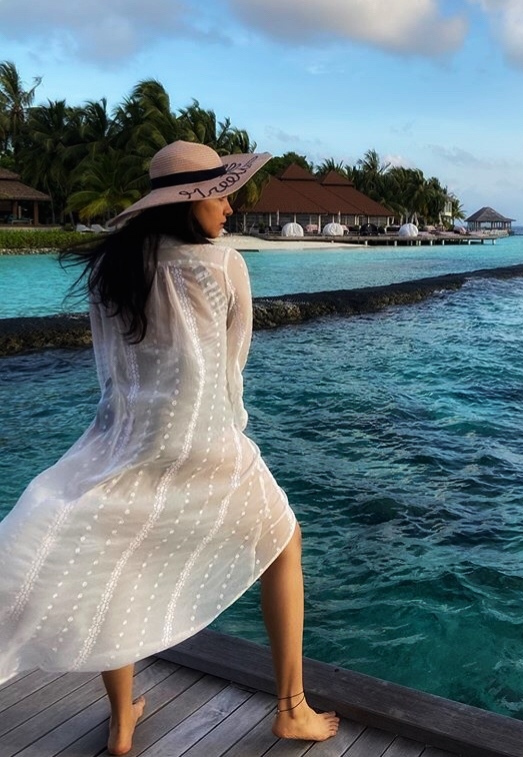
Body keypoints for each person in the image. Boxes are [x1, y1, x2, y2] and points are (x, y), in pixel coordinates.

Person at [0, 141, 339, 754]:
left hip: (122, 439)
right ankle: (292, 709)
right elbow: (231, 369)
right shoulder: (223, 264)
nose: (230, 208)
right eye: (222, 195)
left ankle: (121, 721)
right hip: (203, 440)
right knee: (284, 541)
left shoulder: (113, 270)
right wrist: (231, 430)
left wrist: (119, 433)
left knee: (115, 565)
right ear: (191, 202)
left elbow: (110, 372)